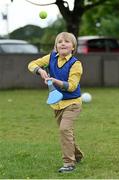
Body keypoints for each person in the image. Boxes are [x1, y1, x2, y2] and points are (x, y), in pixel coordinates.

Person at [28, 32, 84, 173]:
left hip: (72, 103)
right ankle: (77, 155)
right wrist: (40, 71)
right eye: (59, 42)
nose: (63, 43)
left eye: (66, 41)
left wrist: (54, 81)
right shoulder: (51, 57)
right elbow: (31, 64)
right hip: (57, 104)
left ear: (73, 47)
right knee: (67, 132)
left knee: (64, 129)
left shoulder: (75, 64)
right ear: (55, 47)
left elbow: (71, 86)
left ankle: (68, 164)